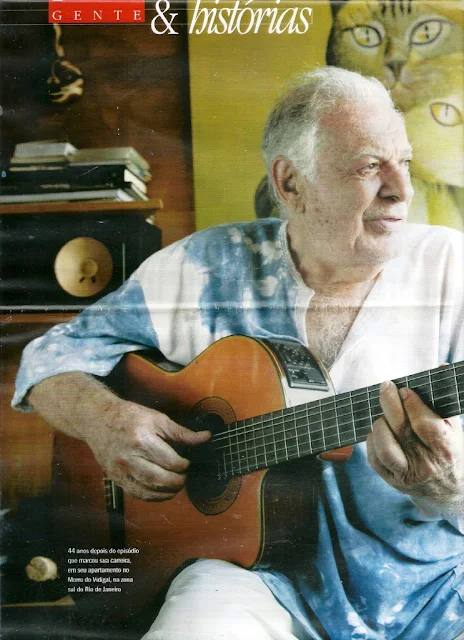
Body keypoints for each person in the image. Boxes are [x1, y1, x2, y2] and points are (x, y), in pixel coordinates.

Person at [13, 67, 464, 639]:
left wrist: (452, 490)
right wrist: (105, 420)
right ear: (290, 183)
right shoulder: (203, 266)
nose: (401, 188)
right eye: (369, 165)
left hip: (433, 587)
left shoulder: (453, 269)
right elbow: (49, 358)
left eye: (404, 160)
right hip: (249, 577)